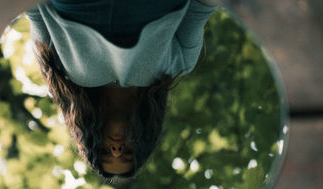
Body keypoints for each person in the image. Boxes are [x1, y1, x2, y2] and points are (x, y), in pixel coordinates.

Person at [26, 0, 219, 178]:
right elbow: (201, 8)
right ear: (144, 139)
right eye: (127, 153)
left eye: (104, 152)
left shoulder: (60, 73)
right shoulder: (179, 65)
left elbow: (34, 11)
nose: (116, 150)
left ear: (91, 141)